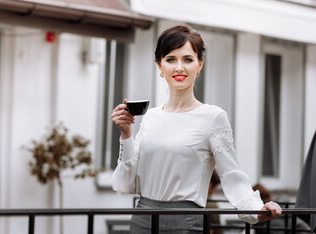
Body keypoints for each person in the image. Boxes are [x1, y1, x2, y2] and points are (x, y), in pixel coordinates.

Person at [111, 25, 282, 233]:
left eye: (188, 59)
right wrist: (126, 134)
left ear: (199, 65)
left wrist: (256, 208)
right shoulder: (150, 118)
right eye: (171, 59)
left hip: (185, 222)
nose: (179, 67)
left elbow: (232, 175)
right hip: (141, 218)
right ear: (160, 66)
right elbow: (126, 184)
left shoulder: (213, 117)